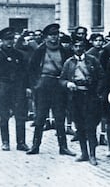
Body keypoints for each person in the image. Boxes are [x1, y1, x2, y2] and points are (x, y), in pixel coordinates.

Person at [26, 23, 75, 156]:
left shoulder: (63, 50)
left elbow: (69, 66)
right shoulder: (40, 50)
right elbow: (31, 69)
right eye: (51, 35)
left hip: (58, 85)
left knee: (60, 117)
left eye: (56, 35)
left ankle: (63, 147)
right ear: (46, 37)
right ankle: (35, 146)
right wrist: (35, 85)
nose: (54, 38)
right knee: (40, 117)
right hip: (43, 85)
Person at [60, 38, 105, 166]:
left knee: (91, 126)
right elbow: (62, 79)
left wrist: (97, 92)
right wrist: (68, 83)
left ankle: (92, 154)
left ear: (84, 47)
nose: (78, 48)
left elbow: (101, 77)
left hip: (90, 96)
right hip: (75, 97)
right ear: (72, 48)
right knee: (79, 126)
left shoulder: (92, 60)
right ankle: (84, 153)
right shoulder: (69, 62)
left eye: (80, 46)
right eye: (76, 46)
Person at [0, 27, 29, 151]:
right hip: (3, 87)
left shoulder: (18, 54)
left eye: (11, 39)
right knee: (4, 115)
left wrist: (25, 87)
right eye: (7, 39)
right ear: (2, 40)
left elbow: (24, 72)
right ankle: (5, 142)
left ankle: (21, 143)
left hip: (17, 88)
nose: (10, 41)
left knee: (20, 115)